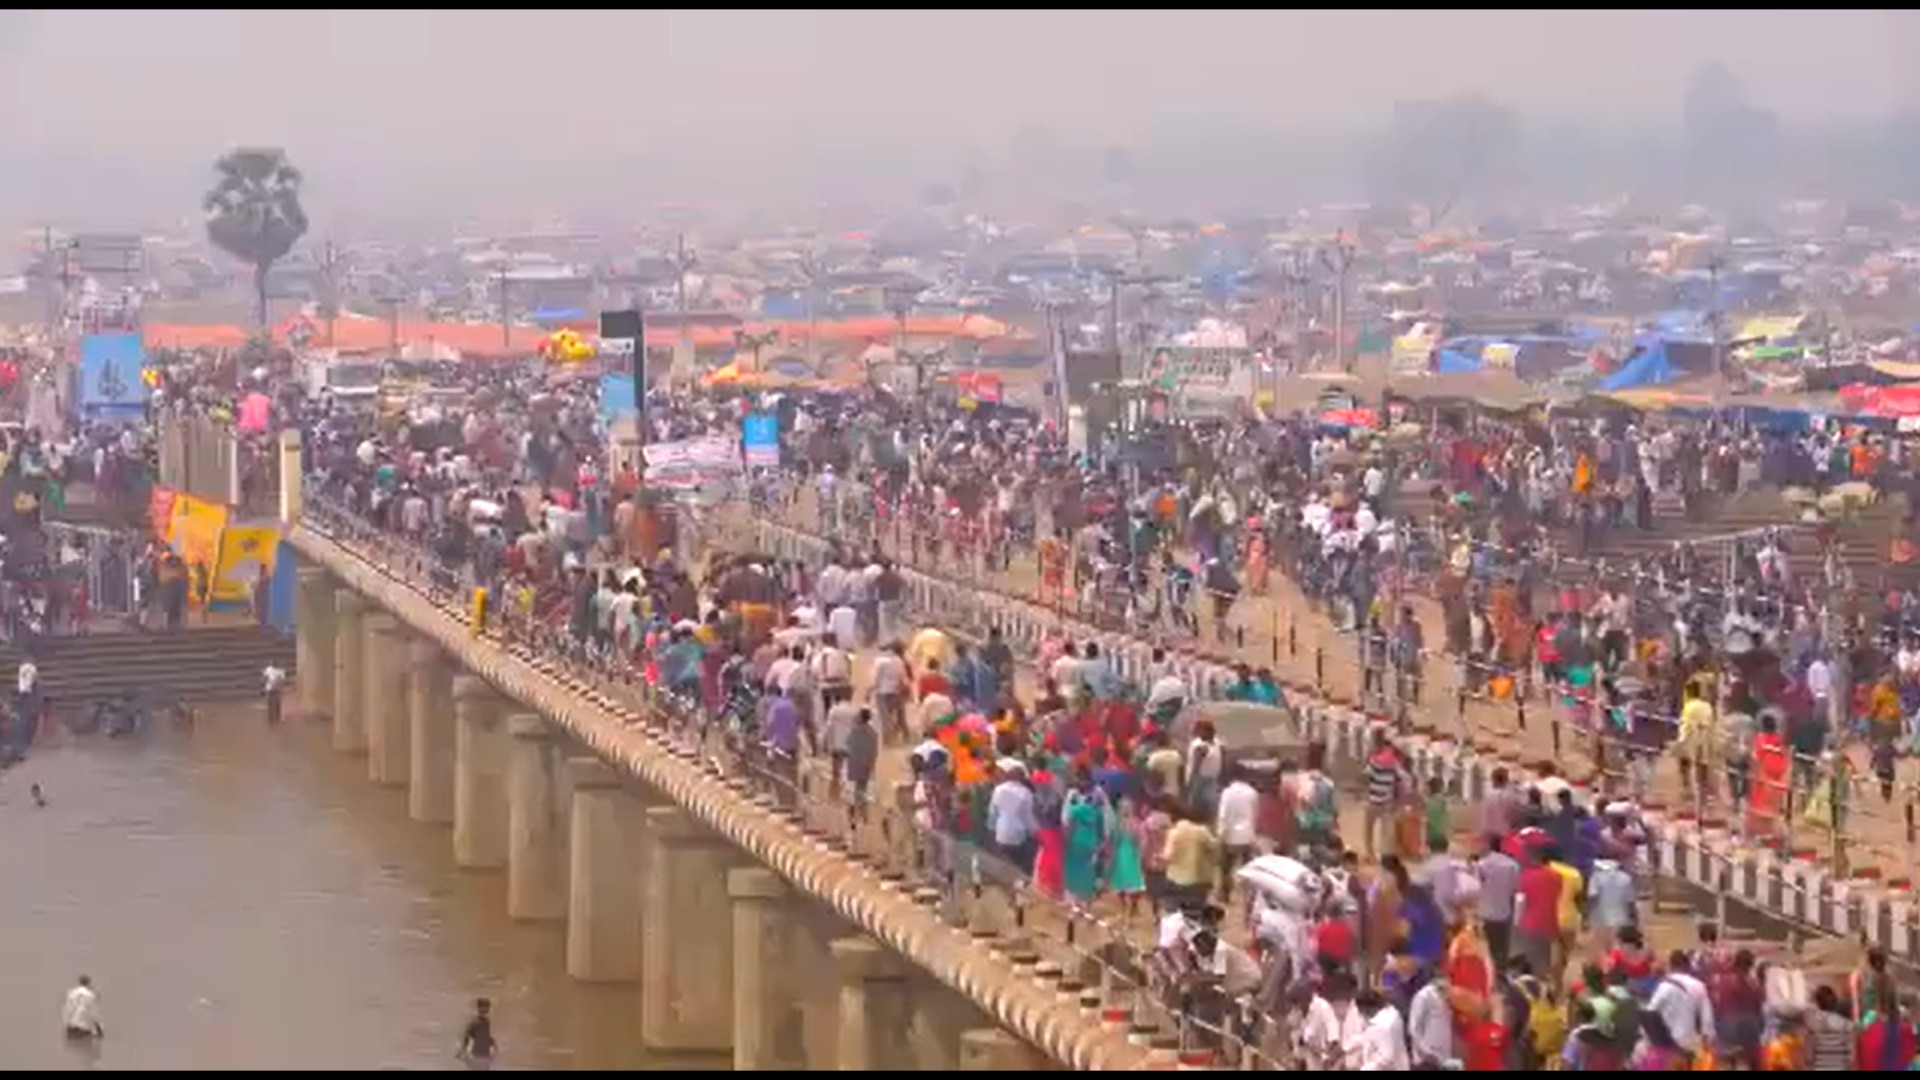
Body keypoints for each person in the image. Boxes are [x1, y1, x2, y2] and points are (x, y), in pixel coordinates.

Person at [458, 997, 496, 1066]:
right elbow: (467, 1036)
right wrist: (462, 1051)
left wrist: (493, 1043)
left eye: (486, 1008)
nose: (485, 1010)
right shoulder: (475, 1022)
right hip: (477, 1054)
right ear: (478, 1009)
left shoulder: (486, 1022)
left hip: (485, 1054)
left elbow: (486, 1035)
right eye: (483, 1008)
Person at [62, 975, 102, 1041]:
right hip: (83, 1029)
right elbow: (94, 1013)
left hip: (71, 1027)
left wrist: (67, 1024)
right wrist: (99, 1028)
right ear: (88, 983)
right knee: (85, 1048)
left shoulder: (71, 993)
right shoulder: (90, 995)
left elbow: (67, 1010)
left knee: (71, 1048)